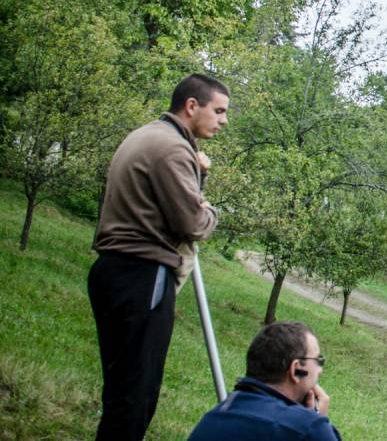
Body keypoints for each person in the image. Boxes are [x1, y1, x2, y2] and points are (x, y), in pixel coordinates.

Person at [88, 73, 228, 440]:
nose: (223, 121)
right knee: (136, 395)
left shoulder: (147, 134)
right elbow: (194, 222)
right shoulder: (171, 148)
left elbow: (170, 202)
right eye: (219, 111)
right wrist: (212, 210)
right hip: (142, 273)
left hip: (116, 270)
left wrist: (197, 176)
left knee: (123, 389)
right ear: (192, 105)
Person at [188, 321, 340, 441]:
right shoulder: (308, 429)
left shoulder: (217, 414)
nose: (320, 369)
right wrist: (318, 420)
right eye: (317, 360)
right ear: (296, 369)